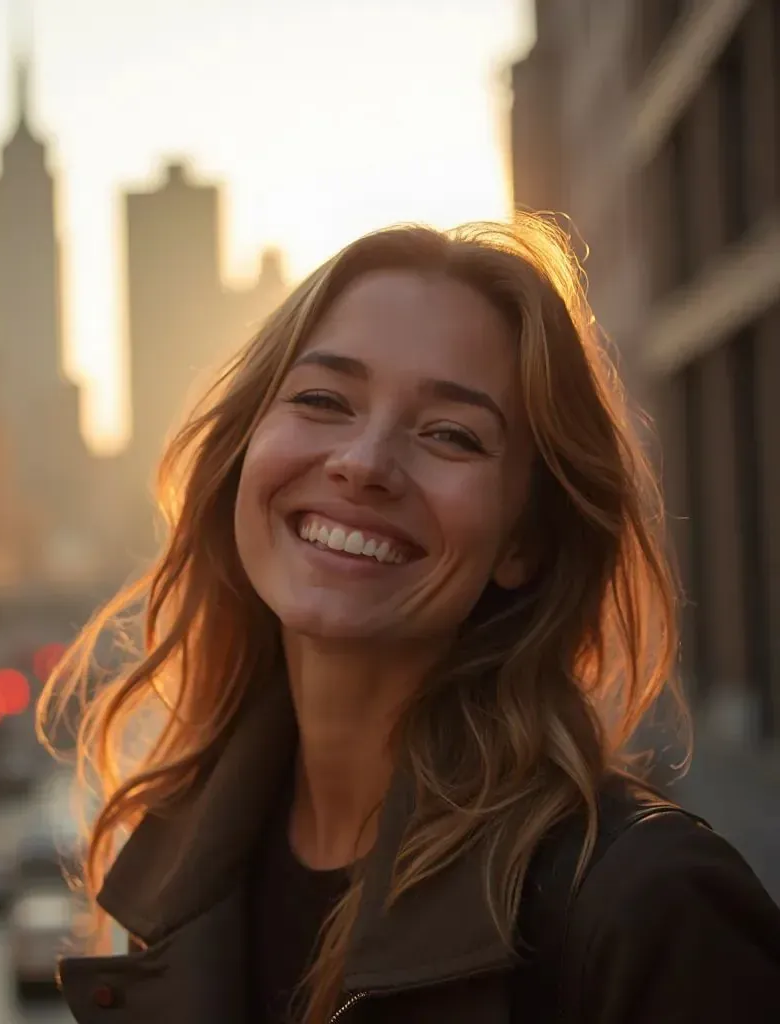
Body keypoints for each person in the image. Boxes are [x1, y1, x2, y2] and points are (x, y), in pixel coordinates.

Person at [45, 217, 780, 1023]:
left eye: (451, 435)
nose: (362, 463)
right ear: (244, 453)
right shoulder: (178, 862)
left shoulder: (649, 910)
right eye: (324, 399)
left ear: (524, 541)